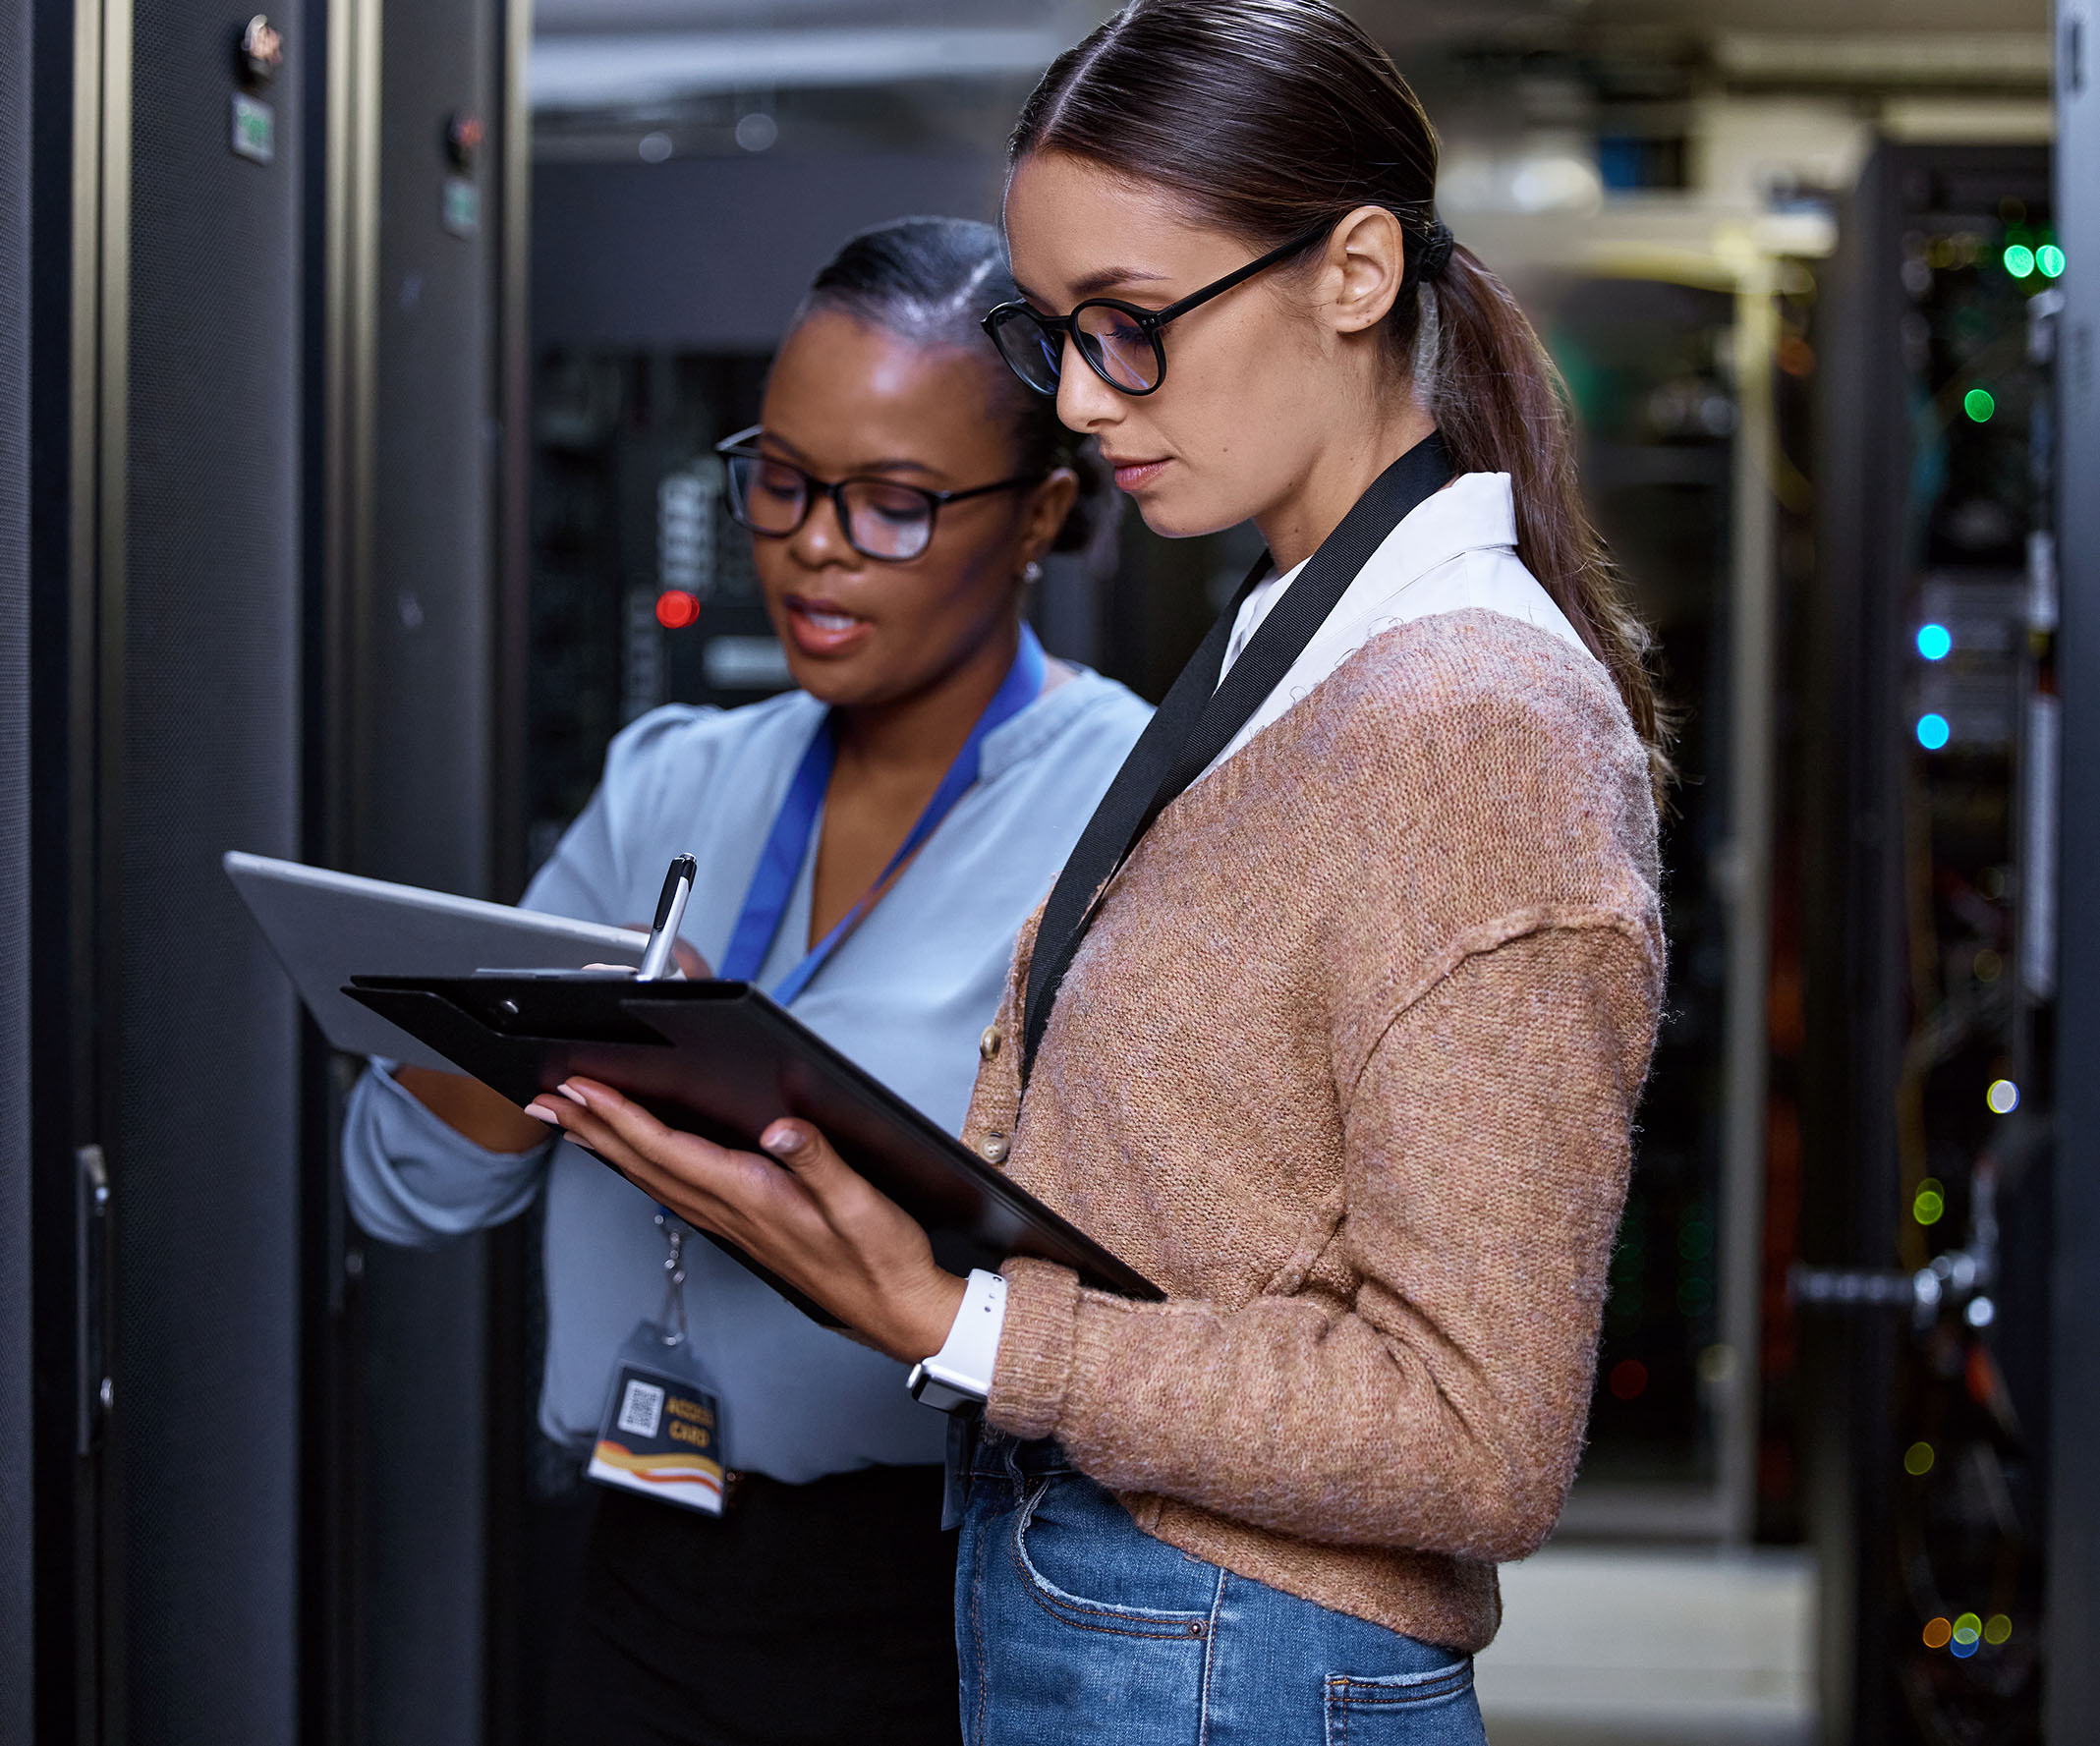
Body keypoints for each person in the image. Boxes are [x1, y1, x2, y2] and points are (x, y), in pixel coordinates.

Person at [525, 4, 1671, 1742]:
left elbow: (1474, 1429)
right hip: (1138, 1632)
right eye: (1054, 333)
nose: (1075, 398)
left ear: (1355, 272)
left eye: (1130, 328)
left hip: (1226, 1663)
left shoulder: (1467, 718)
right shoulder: (1295, 651)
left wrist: (953, 1317)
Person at [341, 216, 1151, 1746]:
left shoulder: (1130, 816)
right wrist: (551, 1037)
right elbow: (402, 1186)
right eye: (778, 479)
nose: (813, 543)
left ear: (1041, 514)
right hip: (651, 1560)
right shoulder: (670, 782)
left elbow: (1155, 1283)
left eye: (892, 502)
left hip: (963, 1593)